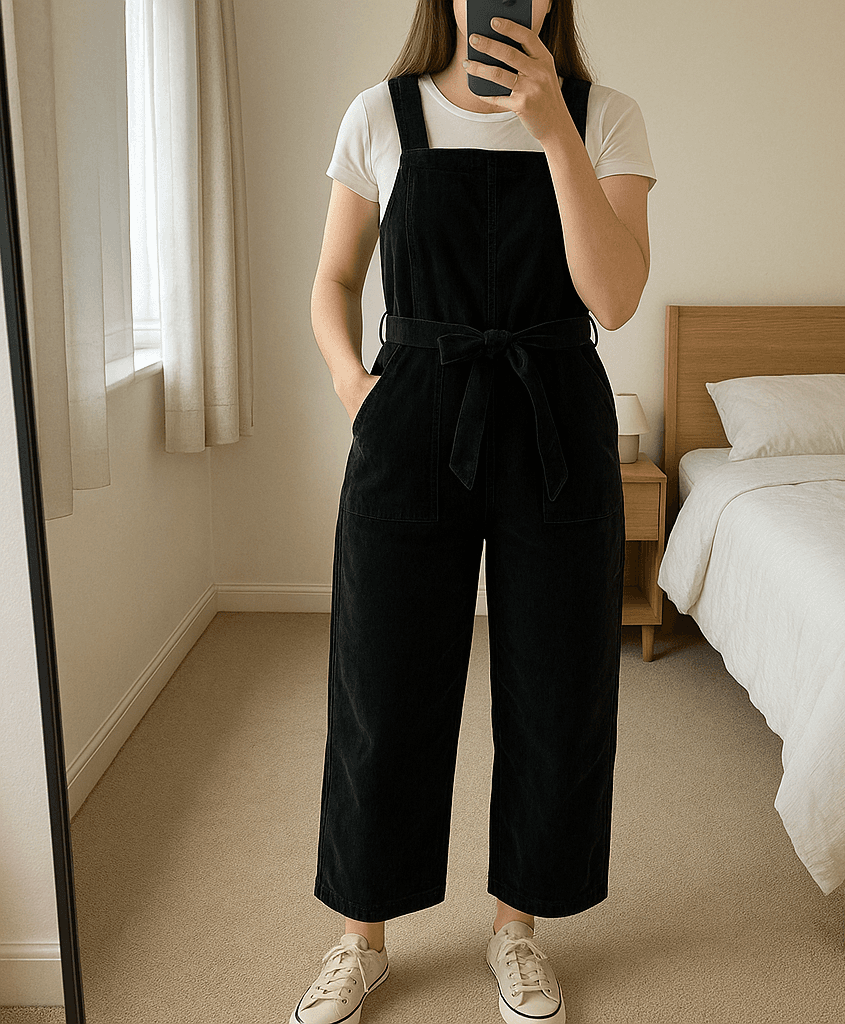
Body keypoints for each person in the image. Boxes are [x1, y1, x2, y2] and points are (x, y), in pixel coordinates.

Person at [291, 2, 654, 1021]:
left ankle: (517, 927)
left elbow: (615, 296)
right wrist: (353, 386)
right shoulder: (381, 113)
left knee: (556, 681)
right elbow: (331, 276)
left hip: (552, 416)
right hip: (413, 407)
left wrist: (553, 133)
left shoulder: (605, 117)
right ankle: (361, 935)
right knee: (382, 676)